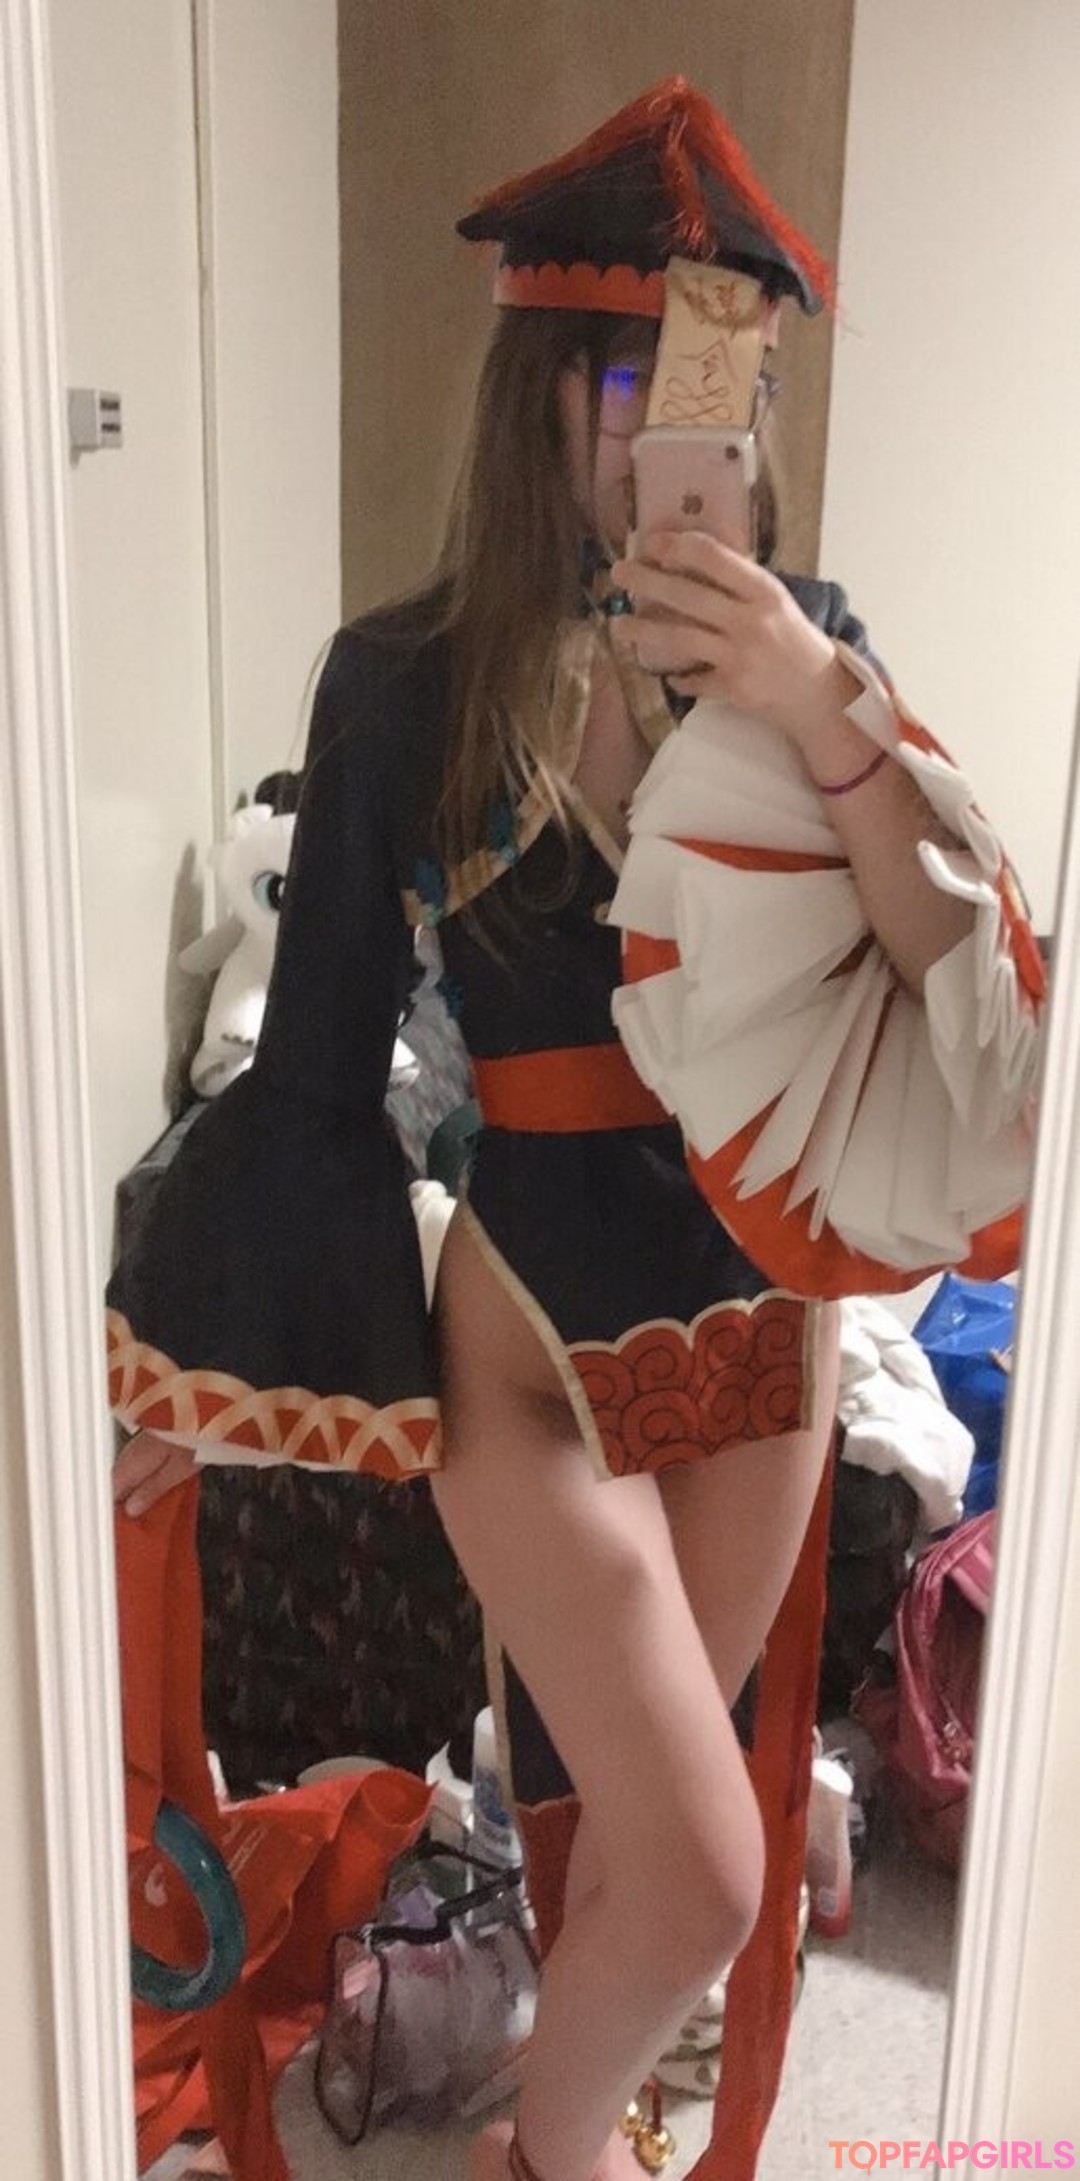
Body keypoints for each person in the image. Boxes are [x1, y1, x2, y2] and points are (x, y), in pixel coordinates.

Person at [109, 79, 1044, 2181]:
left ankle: (576, 2134)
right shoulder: (404, 679)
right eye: (637, 382)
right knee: (707, 1864)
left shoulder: (815, 654)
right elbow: (315, 1066)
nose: (683, 432)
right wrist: (196, 1366)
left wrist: (816, 707)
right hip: (526, 1337)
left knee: (633, 1833)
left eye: (728, 383)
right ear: (544, 389)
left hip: (764, 1333)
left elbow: (966, 997)